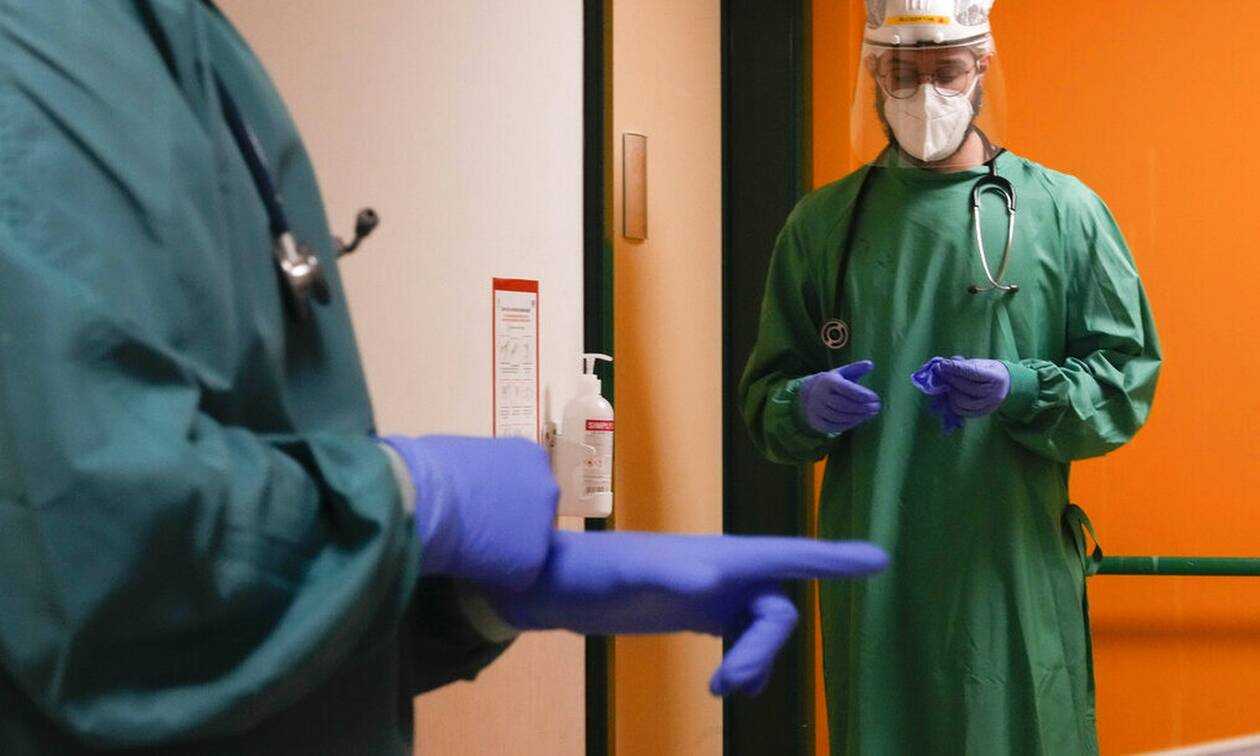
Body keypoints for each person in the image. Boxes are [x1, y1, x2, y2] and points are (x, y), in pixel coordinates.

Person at [0, 1, 888, 754]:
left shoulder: (161, 39)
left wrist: (461, 601)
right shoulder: (47, 46)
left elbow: (177, 617)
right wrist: (413, 498)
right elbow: (91, 550)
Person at [739, 0, 1161, 753]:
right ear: (874, 72)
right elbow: (767, 397)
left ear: (982, 68)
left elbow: (1124, 380)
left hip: (1010, 560)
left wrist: (1024, 388)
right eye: (903, 73)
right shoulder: (824, 226)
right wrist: (801, 405)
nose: (925, 94)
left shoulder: (1064, 212)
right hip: (877, 569)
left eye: (947, 71)